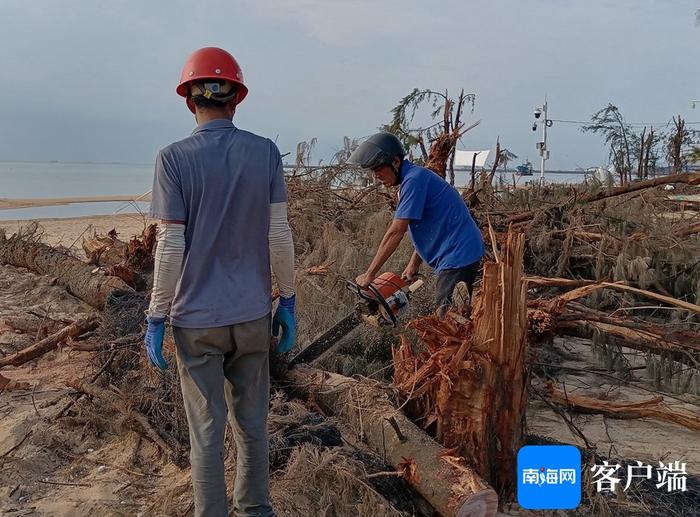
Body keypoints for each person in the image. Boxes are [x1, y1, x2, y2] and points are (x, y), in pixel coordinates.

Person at [143, 47, 295, 517]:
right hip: (251, 316)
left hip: (196, 323)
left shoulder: (172, 159)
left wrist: (155, 316)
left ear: (190, 100)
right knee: (252, 423)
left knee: (206, 432)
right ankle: (256, 510)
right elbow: (278, 235)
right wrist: (287, 299)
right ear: (236, 100)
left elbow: (170, 247)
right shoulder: (265, 153)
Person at [350, 132, 484, 314]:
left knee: (447, 322)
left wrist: (370, 274)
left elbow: (396, 232)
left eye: (378, 169)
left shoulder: (414, 180)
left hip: (458, 255)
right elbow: (423, 225)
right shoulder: (413, 179)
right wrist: (414, 263)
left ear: (396, 162)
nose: (376, 176)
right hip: (456, 252)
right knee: (450, 316)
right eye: (372, 171)